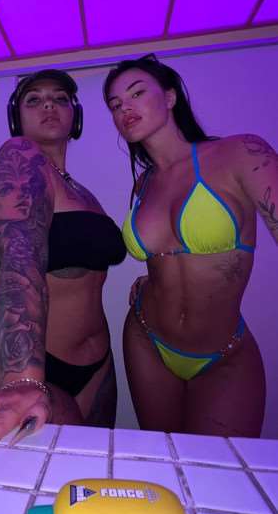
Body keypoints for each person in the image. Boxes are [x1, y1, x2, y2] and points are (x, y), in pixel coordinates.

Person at [0, 69, 126, 465]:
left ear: (76, 116)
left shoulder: (83, 192)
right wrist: (22, 381)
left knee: (92, 472)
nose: (49, 104)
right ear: (17, 117)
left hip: (96, 364)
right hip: (23, 362)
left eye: (60, 98)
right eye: (34, 99)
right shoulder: (20, 156)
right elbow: (19, 257)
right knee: (42, 476)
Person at [104, 53, 276, 437]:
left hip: (224, 353)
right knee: (163, 460)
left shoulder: (239, 154)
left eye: (136, 93)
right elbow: (167, 259)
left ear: (169, 97)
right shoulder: (143, 184)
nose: (124, 108)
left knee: (224, 469)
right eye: (115, 105)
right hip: (146, 339)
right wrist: (150, 282)